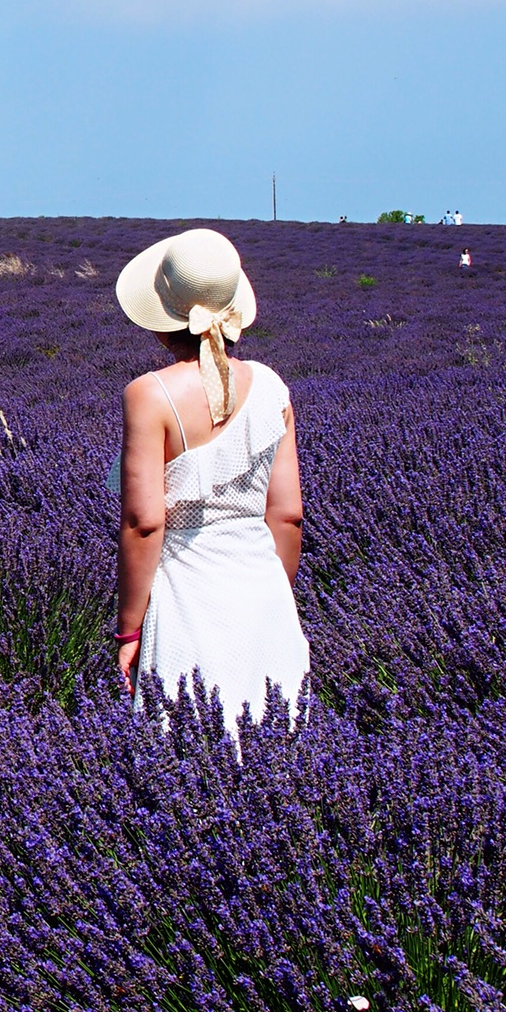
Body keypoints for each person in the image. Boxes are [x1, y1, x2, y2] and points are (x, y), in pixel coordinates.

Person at [112, 228, 309, 737]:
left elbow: (144, 524)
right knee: (282, 753)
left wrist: (129, 629)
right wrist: (273, 597)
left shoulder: (149, 395)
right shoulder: (271, 387)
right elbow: (287, 515)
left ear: (161, 320)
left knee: (183, 756)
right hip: (263, 594)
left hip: (188, 599)